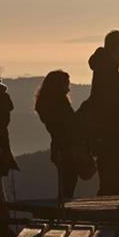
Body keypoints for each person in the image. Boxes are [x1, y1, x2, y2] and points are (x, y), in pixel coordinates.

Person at [85, 30, 119, 196]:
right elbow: (109, 103)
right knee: (115, 181)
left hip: (106, 132)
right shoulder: (107, 71)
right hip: (109, 133)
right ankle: (108, 215)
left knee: (112, 179)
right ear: (116, 47)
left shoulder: (104, 68)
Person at [34, 70, 79, 199]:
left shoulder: (47, 105)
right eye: (66, 84)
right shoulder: (59, 105)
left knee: (66, 184)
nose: (68, 88)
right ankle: (65, 213)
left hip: (59, 148)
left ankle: (63, 212)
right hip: (66, 148)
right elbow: (68, 125)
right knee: (68, 185)